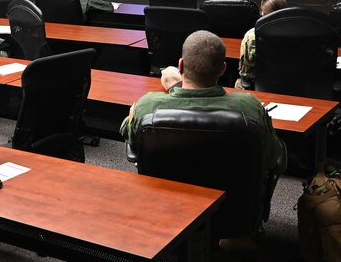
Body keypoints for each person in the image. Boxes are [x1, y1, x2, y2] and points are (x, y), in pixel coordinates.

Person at [120, 30, 285, 178]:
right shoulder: (249, 108)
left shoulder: (147, 106)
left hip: (167, 204)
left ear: (181, 65)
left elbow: (130, 137)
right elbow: (270, 158)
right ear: (223, 69)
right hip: (235, 206)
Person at [236, 0, 288, 90]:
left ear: (263, 13)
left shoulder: (252, 35)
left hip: (261, 87)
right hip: (294, 85)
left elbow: (245, 72)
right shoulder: (300, 34)